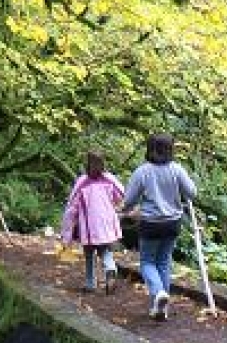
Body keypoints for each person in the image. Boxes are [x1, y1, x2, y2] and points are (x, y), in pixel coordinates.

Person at [120, 133, 197, 321]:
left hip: (150, 223)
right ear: (171, 149)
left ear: (150, 149)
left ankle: (158, 293)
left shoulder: (142, 171)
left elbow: (129, 199)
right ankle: (162, 308)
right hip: (172, 223)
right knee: (163, 262)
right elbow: (192, 193)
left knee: (147, 262)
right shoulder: (177, 170)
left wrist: (125, 210)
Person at [59, 150, 125, 294]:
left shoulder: (82, 182)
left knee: (89, 252)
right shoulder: (110, 180)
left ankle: (90, 283)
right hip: (106, 224)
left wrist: (66, 233)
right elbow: (120, 197)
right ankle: (110, 268)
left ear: (87, 164)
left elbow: (72, 208)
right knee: (104, 250)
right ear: (104, 163)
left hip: (89, 226)